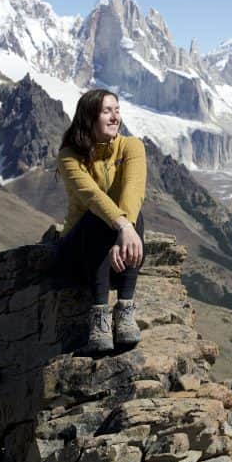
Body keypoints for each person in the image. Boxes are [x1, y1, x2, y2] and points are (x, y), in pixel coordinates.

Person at [53, 88, 147, 353]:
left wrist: (124, 230)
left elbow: (133, 188)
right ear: (89, 118)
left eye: (117, 110)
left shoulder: (132, 146)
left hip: (115, 257)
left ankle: (125, 309)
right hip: (77, 255)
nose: (115, 117)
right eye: (107, 111)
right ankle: (99, 317)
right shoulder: (69, 156)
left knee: (134, 212)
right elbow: (92, 196)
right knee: (97, 217)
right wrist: (123, 227)